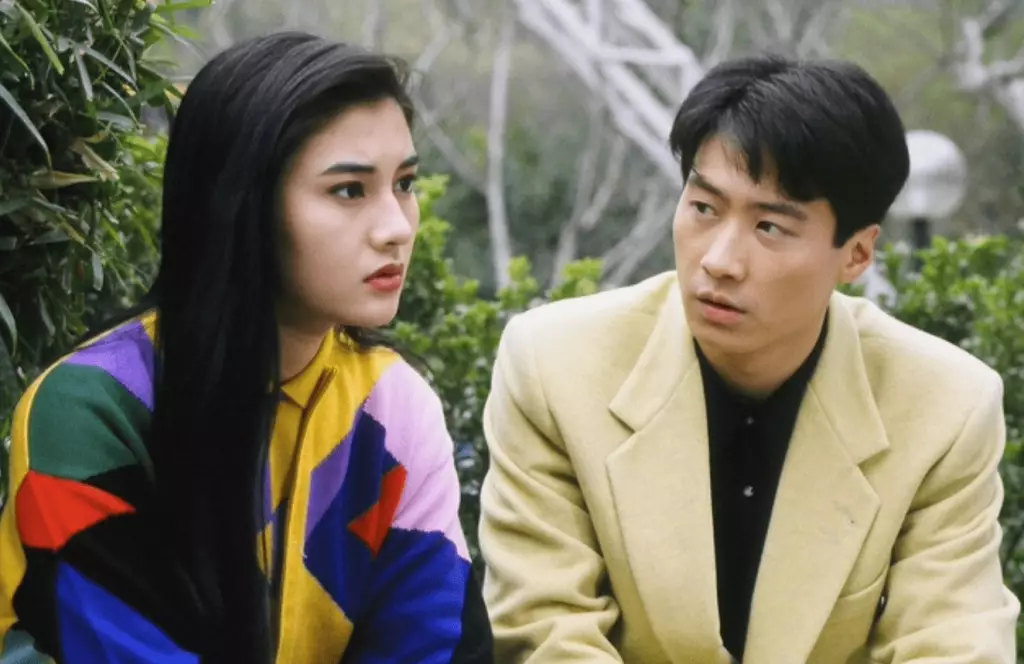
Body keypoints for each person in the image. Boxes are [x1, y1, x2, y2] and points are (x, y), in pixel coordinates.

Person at [478, 54, 1019, 663]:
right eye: (704, 209)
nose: (719, 261)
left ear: (857, 254)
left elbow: (952, 644)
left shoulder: (944, 407)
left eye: (769, 228)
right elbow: (545, 632)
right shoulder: (555, 367)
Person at [0, 32, 493, 664]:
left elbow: (436, 646)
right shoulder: (94, 410)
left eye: (405, 183)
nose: (397, 227)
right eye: (349, 190)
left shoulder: (393, 410)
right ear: (240, 203)